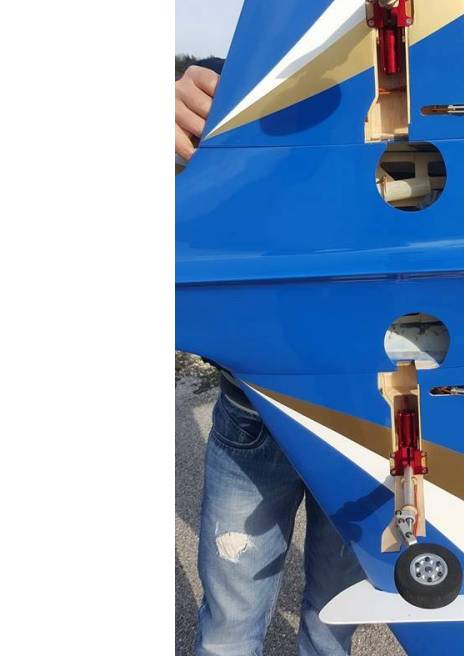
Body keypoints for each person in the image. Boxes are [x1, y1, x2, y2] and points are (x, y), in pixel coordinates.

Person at [176, 60, 365, 656]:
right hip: (255, 406)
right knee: (230, 633)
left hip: (372, 420)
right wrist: (180, 123)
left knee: (331, 629)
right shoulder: (261, 72)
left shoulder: (430, 89)